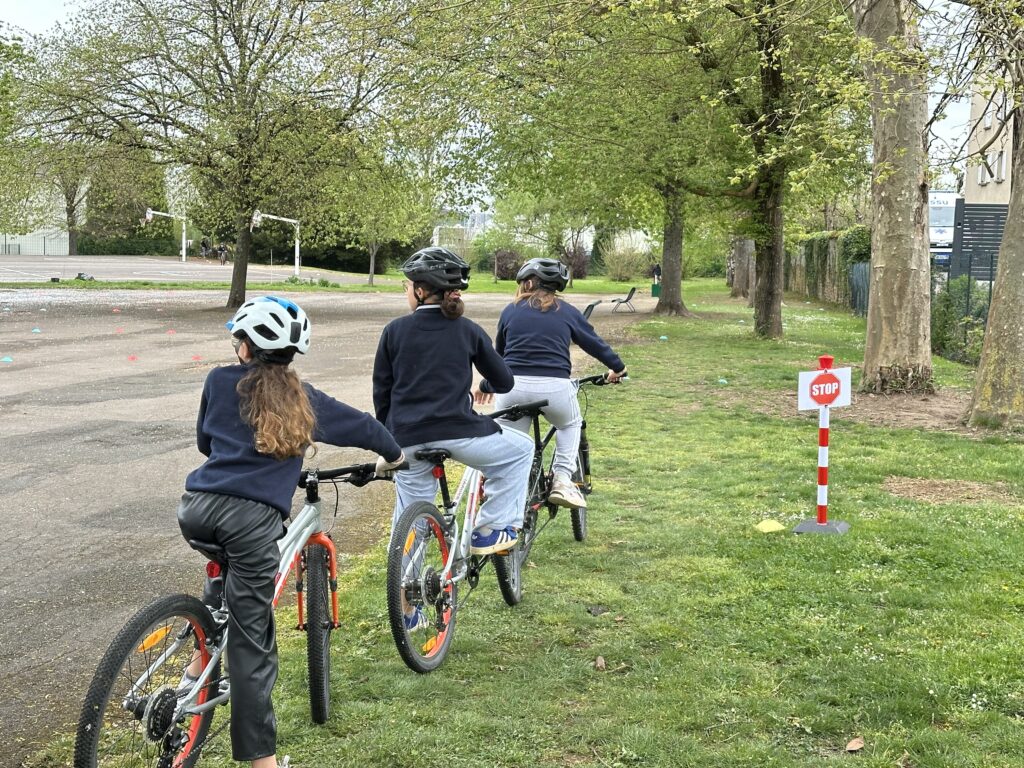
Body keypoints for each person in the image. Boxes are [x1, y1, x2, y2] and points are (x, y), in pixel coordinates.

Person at [178, 296, 404, 768]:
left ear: (244, 347)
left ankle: (194, 671)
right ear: (291, 353)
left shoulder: (219, 381)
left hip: (197, 508)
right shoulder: (305, 399)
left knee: (224, 589)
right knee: (252, 644)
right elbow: (365, 427)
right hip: (251, 521)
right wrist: (395, 458)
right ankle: (263, 763)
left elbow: (205, 441)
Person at [372, 247, 534, 576]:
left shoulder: (394, 331)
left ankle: (405, 602)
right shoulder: (468, 330)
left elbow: (382, 393)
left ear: (419, 290)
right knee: (521, 450)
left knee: (409, 519)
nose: (406, 292)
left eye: (406, 286)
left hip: (407, 438)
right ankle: (491, 528)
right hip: (461, 433)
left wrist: (387, 443)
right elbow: (504, 381)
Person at [477, 257, 626, 511]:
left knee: (508, 441)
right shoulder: (567, 312)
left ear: (529, 282)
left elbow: (498, 358)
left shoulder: (510, 310)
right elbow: (593, 343)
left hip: (513, 387)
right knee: (570, 424)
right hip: (555, 389)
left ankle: (496, 488)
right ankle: (562, 479)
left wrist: (486, 385)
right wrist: (617, 367)